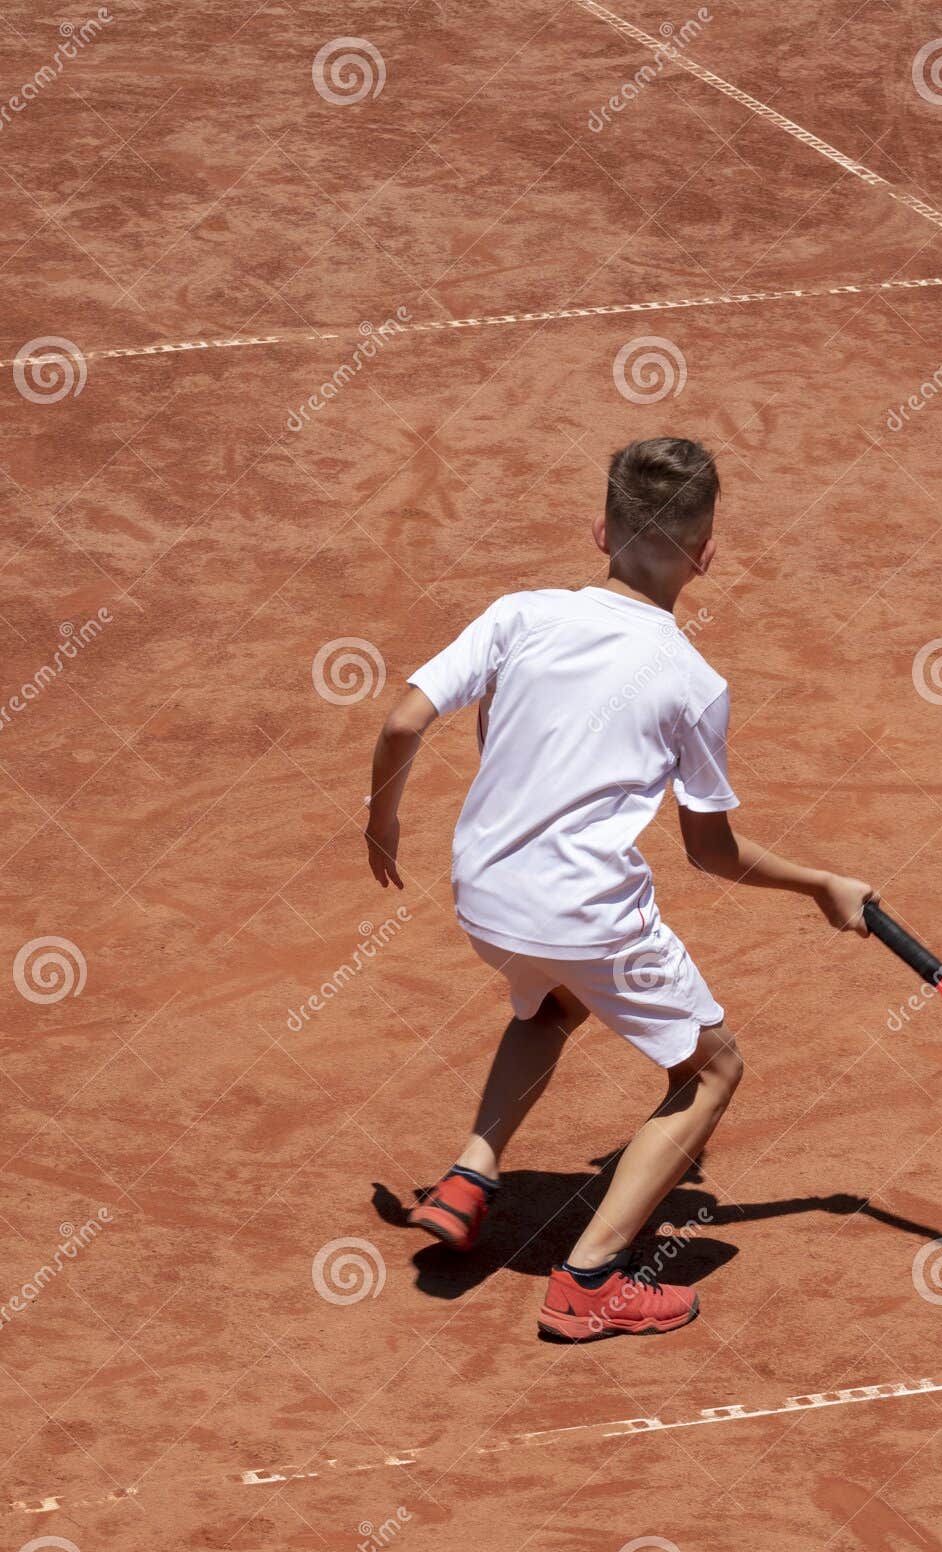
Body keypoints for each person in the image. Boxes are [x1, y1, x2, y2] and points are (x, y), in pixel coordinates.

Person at [364, 437, 874, 1340]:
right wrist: (822, 885)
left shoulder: (519, 614)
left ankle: (471, 1176)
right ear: (706, 553)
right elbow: (711, 854)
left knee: (552, 1007)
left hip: (482, 896)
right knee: (712, 1071)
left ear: (600, 529)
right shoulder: (691, 680)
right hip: (586, 912)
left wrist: (381, 819)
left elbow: (405, 717)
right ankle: (589, 1278)